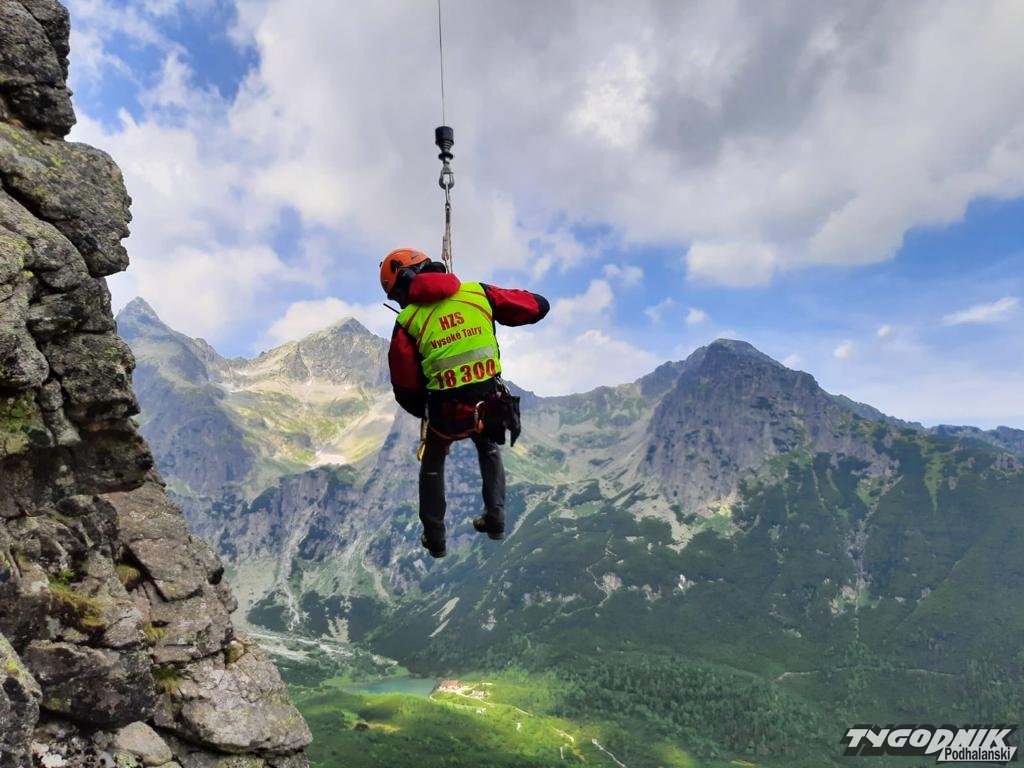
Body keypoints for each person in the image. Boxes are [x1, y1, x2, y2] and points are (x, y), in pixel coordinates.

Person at [381, 248, 549, 558]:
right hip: (490, 405)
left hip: (445, 413)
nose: (401, 302)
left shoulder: (407, 320)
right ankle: (496, 518)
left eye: (397, 295)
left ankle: (435, 537)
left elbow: (404, 385)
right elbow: (537, 306)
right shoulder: (477, 293)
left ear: (406, 281)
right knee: (488, 446)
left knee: (433, 460)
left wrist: (426, 411)